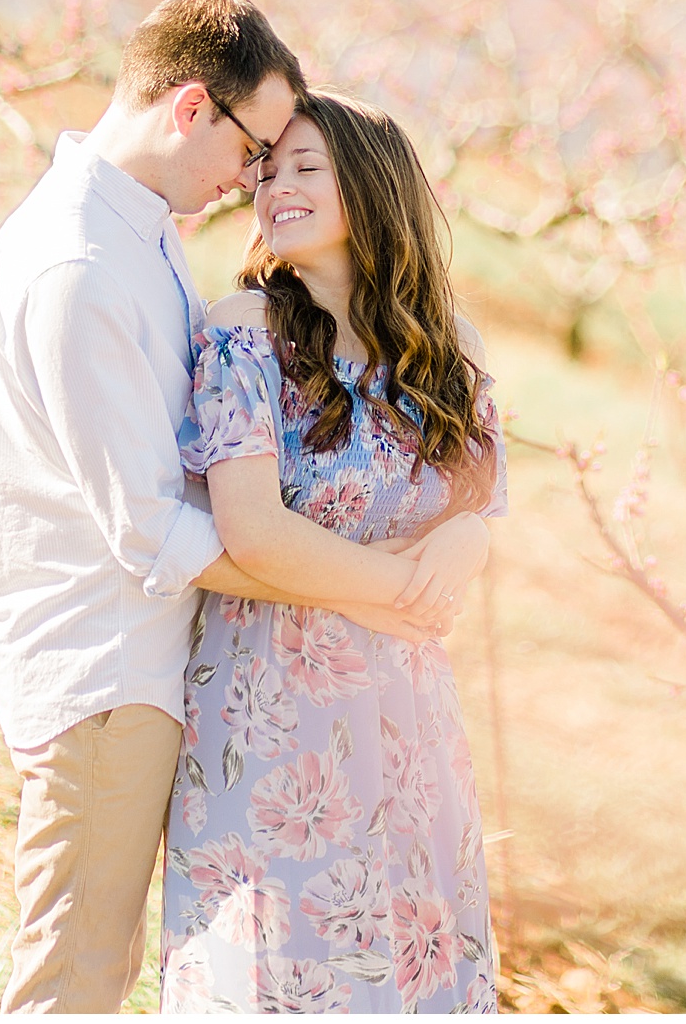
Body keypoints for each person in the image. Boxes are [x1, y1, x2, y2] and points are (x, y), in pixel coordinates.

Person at [0, 0, 452, 1014]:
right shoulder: (79, 264)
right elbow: (150, 525)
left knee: (99, 959)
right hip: (104, 663)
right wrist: (369, 591)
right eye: (255, 146)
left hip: (141, 657)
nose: (253, 179)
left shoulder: (133, 234)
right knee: (77, 972)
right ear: (191, 108)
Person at [158, 90, 506, 1013]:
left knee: (413, 965)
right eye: (269, 169)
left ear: (372, 186)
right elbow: (254, 531)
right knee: (279, 970)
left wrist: (466, 540)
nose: (277, 186)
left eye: (307, 167)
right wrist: (390, 588)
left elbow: (482, 506)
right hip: (275, 717)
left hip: (410, 720)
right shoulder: (244, 332)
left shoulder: (444, 348)